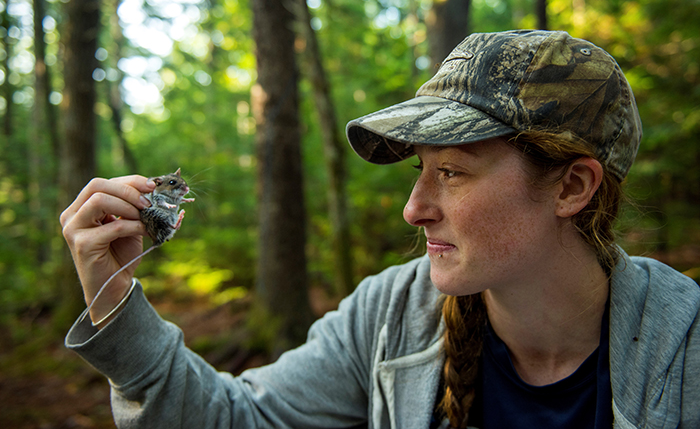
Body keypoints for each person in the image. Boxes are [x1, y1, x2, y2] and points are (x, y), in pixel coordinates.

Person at [61, 30, 700, 429]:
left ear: (572, 188)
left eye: (451, 171)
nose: (414, 207)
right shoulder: (391, 315)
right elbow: (237, 419)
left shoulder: (683, 350)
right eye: (420, 171)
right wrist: (115, 305)